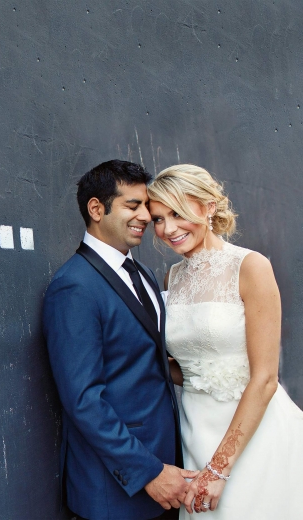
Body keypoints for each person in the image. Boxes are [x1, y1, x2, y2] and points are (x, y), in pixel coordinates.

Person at [147, 164, 303, 518]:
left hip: (256, 435)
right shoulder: (174, 277)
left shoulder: (250, 266)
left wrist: (218, 469)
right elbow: (192, 367)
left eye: (177, 213)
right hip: (195, 431)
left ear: (209, 207)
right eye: (158, 218)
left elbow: (265, 379)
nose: (168, 229)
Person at [44, 160, 196, 520]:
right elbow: (83, 400)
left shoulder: (143, 273)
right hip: (117, 489)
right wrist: (150, 472)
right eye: (133, 205)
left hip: (169, 471)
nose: (146, 216)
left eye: (146, 206)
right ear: (97, 209)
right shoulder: (74, 286)